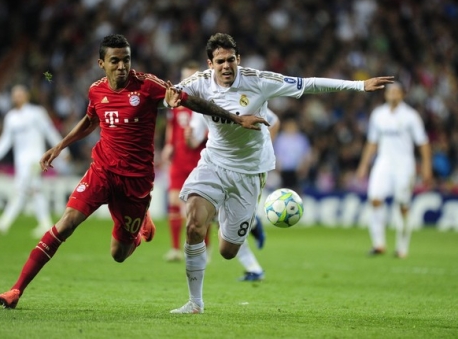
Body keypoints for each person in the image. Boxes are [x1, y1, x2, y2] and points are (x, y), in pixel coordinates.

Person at [0, 34, 267, 309]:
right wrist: (60, 146)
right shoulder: (96, 91)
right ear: (102, 63)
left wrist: (233, 117)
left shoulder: (148, 86)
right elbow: (91, 121)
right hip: (101, 171)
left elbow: (190, 100)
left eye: (126, 59)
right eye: (115, 61)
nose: (122, 66)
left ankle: (136, 232)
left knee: (119, 254)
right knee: (65, 224)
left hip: (135, 184)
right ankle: (16, 289)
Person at [169, 32, 394, 314]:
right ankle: (195, 303)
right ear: (209, 63)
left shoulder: (258, 80)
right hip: (213, 163)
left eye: (230, 60)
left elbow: (308, 84)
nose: (226, 66)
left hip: (250, 171)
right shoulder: (199, 83)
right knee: (194, 223)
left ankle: (242, 217)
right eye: (219, 61)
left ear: (238, 59)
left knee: (228, 251)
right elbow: (167, 96)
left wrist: (360, 86)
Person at [186, 105, 281, 282]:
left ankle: (251, 229)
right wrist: (189, 138)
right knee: (218, 220)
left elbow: (274, 122)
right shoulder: (199, 105)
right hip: (218, 169)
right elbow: (194, 140)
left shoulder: (244, 100)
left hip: (248, 171)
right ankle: (253, 262)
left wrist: (264, 151)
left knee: (223, 222)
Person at [356, 83, 432, 258]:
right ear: (386, 95)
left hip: (404, 164)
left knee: (402, 205)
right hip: (384, 162)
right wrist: (363, 165)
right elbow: (372, 142)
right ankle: (379, 244)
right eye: (390, 91)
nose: (393, 94)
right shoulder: (378, 114)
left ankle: (402, 247)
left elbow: (423, 143)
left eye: (397, 92)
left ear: (402, 95)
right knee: (374, 198)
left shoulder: (411, 116)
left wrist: (427, 168)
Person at [0, 84, 70, 238]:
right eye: (14, 94)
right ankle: (45, 224)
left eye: (19, 94)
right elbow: (6, 139)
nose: (17, 97)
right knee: (34, 191)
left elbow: (49, 131)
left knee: (21, 189)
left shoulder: (37, 113)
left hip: (35, 159)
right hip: (21, 162)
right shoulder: (11, 117)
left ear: (26, 96)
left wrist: (63, 150)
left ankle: (4, 222)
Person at [161, 61, 212, 263]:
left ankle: (205, 250)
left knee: (199, 209)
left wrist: (196, 139)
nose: (189, 82)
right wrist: (168, 145)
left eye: (193, 78)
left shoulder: (206, 104)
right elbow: (172, 126)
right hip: (179, 161)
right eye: (186, 78)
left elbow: (213, 134)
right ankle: (174, 249)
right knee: (174, 202)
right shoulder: (177, 102)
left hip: (200, 161)